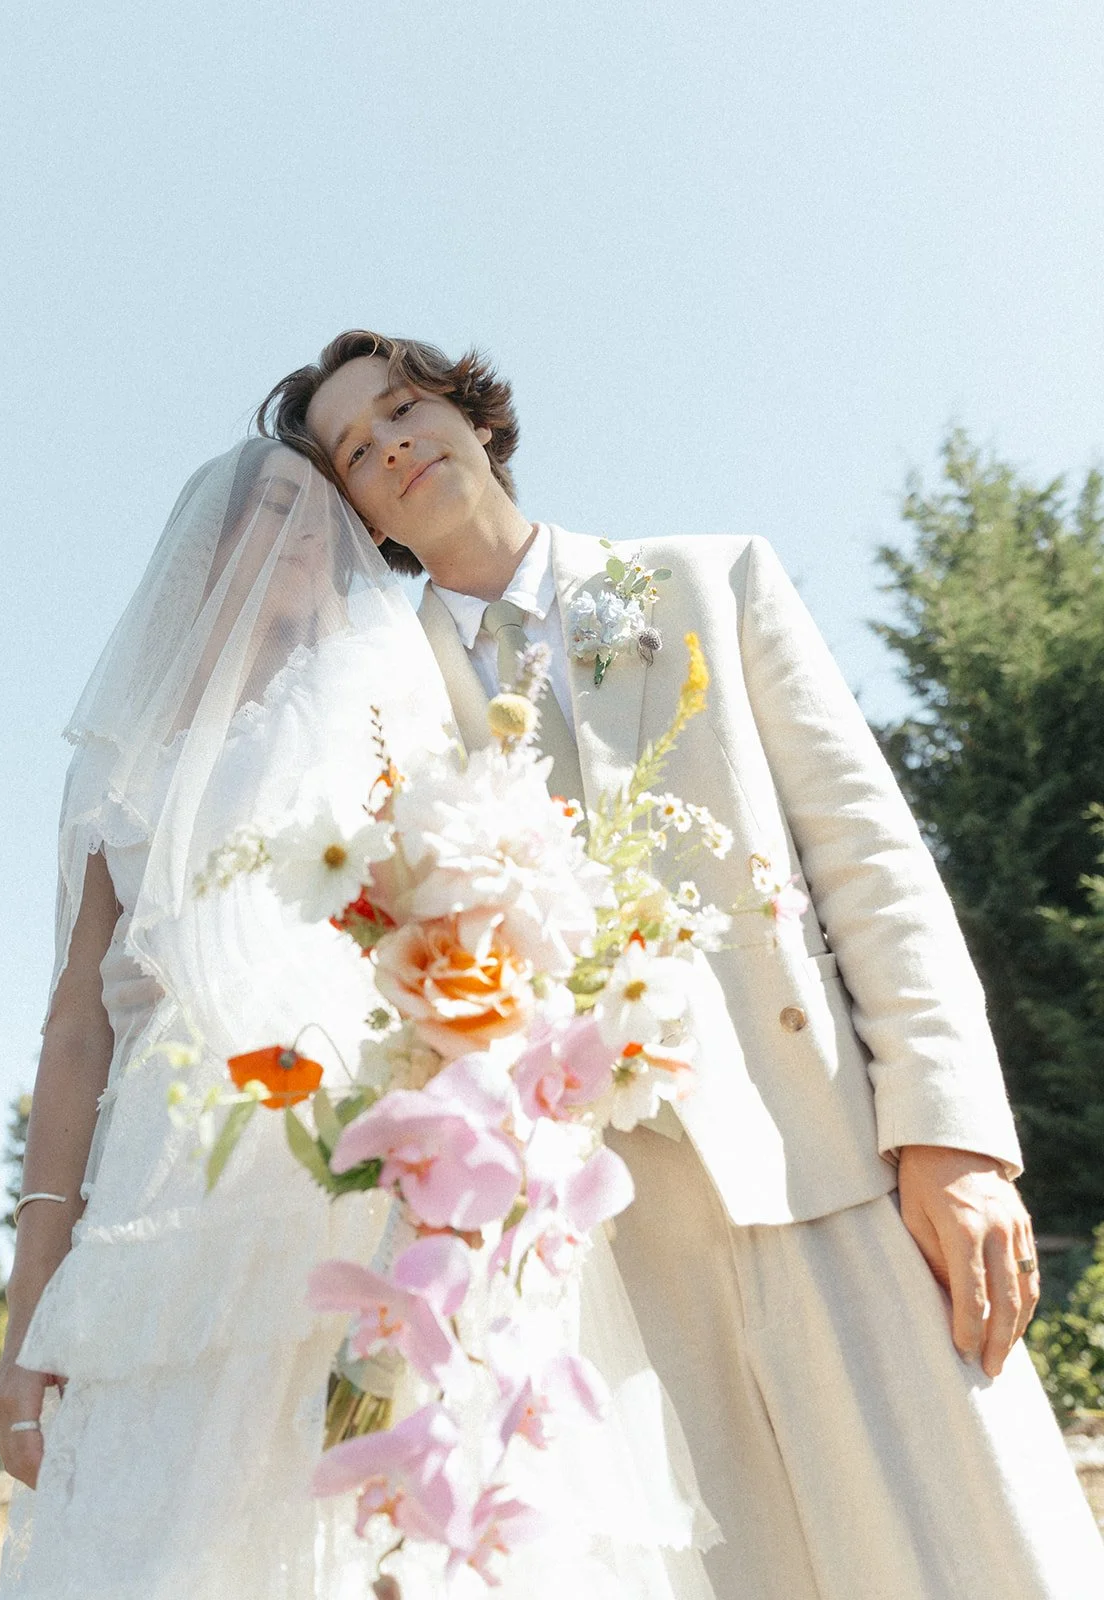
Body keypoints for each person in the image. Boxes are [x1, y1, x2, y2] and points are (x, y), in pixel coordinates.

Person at [257, 328, 1104, 1599]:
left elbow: (868, 861)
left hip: (833, 1161)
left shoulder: (714, 580)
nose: (389, 445)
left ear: (473, 415)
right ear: (356, 513)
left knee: (972, 1556)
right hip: (597, 1256)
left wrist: (953, 1138)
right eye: (353, 451)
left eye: (401, 406)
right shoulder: (372, 704)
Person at [0, 437, 719, 1599]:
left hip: (371, 1127)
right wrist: (30, 1304)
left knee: (405, 1501)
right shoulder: (120, 768)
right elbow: (76, 1028)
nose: (291, 533)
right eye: (262, 509)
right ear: (201, 550)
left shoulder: (383, 681)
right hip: (166, 1180)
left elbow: (473, 876)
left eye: (309, 511)